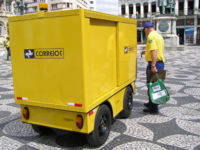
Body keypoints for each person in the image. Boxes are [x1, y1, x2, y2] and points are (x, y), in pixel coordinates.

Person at [141, 22, 165, 114]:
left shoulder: (150, 36)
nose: (145, 32)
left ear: (146, 29)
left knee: (153, 86)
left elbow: (154, 51)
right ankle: (151, 103)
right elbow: (156, 49)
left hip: (155, 64)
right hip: (160, 63)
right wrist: (146, 51)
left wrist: (153, 66)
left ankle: (154, 108)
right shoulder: (158, 35)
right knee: (155, 85)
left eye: (145, 30)